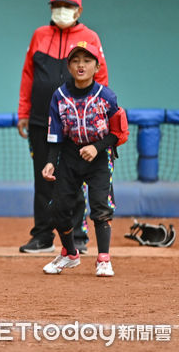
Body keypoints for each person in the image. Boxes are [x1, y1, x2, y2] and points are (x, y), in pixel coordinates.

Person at [17, 0, 109, 254]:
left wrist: (98, 115)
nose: (62, 10)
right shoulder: (39, 35)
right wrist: (23, 112)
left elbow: (100, 76)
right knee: (42, 177)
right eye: (57, 5)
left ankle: (78, 236)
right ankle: (43, 236)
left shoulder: (89, 36)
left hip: (76, 124)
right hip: (40, 120)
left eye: (68, 6)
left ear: (79, 10)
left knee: (75, 178)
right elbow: (28, 75)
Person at [41, 42, 122, 277]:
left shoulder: (106, 97)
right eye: (75, 61)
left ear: (97, 66)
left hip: (99, 158)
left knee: (100, 206)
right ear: (68, 66)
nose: (81, 65)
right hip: (69, 155)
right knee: (58, 207)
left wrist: (97, 148)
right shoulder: (59, 96)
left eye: (87, 61)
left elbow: (118, 133)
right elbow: (55, 133)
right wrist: (50, 161)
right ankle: (69, 253)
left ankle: (103, 259)